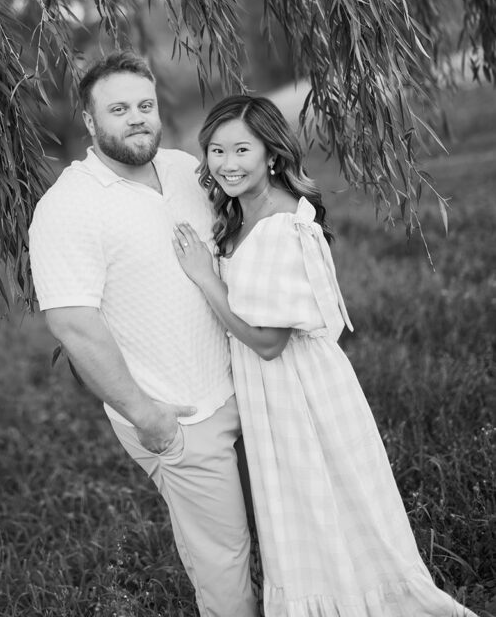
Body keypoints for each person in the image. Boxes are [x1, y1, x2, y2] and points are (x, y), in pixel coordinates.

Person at [173, 94, 477, 617]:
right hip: (272, 393)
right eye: (216, 151)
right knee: (302, 511)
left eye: (242, 149)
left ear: (272, 154)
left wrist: (204, 277)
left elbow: (269, 343)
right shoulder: (240, 216)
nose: (227, 163)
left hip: (298, 390)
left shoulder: (281, 225)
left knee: (320, 504)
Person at [28, 52, 257, 617]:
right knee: (224, 556)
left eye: (145, 105)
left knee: (275, 528)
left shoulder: (185, 170)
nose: (136, 118)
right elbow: (73, 325)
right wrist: (145, 413)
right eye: (119, 108)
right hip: (179, 412)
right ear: (90, 121)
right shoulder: (68, 207)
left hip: (247, 386)